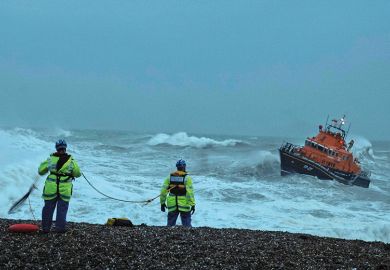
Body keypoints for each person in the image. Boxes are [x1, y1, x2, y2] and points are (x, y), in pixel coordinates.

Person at [38, 139, 81, 233]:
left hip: (50, 188)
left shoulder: (50, 159)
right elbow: (78, 173)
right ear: (65, 148)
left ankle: (45, 229)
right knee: (62, 209)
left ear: (56, 148)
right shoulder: (71, 160)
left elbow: (41, 171)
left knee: (48, 208)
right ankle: (60, 229)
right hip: (65, 189)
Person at [160, 159, 195, 227]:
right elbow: (190, 193)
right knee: (187, 225)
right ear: (184, 166)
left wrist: (162, 203)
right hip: (184, 204)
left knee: (170, 225)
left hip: (172, 204)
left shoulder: (169, 177)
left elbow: (163, 191)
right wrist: (193, 204)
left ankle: (169, 236)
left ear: (177, 167)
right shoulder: (187, 178)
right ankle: (187, 236)